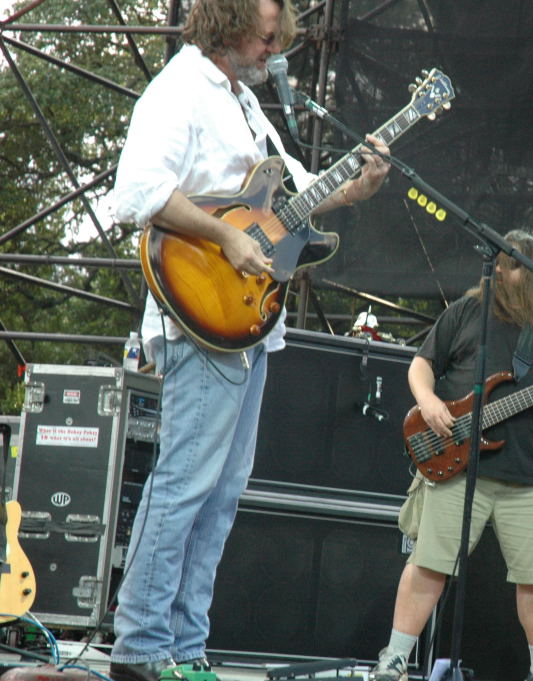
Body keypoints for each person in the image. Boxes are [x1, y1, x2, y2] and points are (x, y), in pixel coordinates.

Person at [108, 3, 390, 681]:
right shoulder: (179, 90)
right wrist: (227, 238)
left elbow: (292, 201)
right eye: (265, 36)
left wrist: (353, 189)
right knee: (184, 482)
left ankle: (185, 646)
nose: (273, 48)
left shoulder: (244, 104)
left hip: (248, 321)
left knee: (222, 492)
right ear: (227, 24)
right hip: (199, 312)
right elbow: (138, 192)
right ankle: (140, 644)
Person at [373, 230, 533, 681]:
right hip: (461, 467)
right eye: (496, 263)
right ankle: (394, 658)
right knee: (428, 563)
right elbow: (422, 364)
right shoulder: (467, 312)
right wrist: (429, 402)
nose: (499, 270)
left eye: (510, 264)